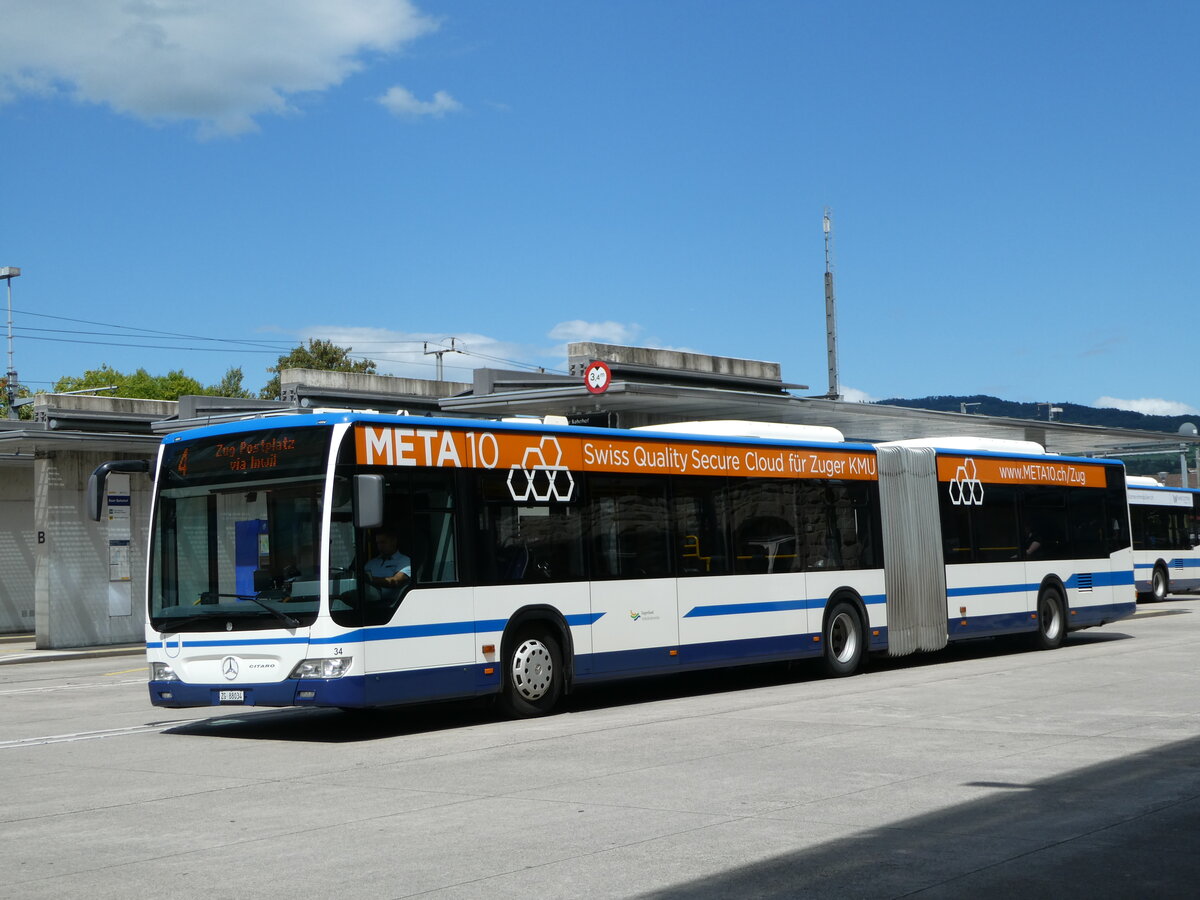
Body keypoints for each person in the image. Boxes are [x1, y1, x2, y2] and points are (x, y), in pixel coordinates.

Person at [364, 529, 412, 602]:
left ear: (394, 541)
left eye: (383, 542)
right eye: (378, 543)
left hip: (393, 605)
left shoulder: (404, 561)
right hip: (368, 604)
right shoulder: (371, 563)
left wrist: (370, 580)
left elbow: (396, 581)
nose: (380, 546)